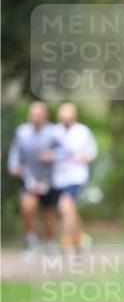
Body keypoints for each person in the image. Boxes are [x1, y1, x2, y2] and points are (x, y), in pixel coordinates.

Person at [7, 101, 62, 254]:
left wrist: (52, 155)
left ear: (45, 116)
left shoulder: (53, 132)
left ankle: (51, 243)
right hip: (29, 177)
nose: (35, 118)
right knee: (26, 208)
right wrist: (13, 165)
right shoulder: (22, 131)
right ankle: (30, 240)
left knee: (47, 214)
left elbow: (64, 151)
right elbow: (15, 152)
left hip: (48, 180)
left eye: (39, 115)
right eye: (32, 115)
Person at [52, 102, 98, 253]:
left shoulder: (83, 131)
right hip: (58, 177)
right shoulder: (54, 131)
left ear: (74, 115)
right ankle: (80, 239)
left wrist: (82, 157)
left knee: (65, 205)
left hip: (76, 176)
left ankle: (65, 242)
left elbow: (92, 152)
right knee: (68, 209)